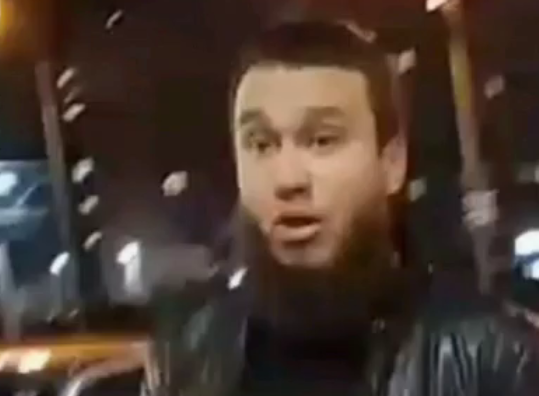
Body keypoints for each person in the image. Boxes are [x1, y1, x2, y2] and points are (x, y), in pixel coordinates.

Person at [214, 20, 539, 396]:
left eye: (322, 140)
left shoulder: (497, 359)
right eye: (260, 144)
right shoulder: (189, 352)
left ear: (392, 162)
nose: (287, 179)